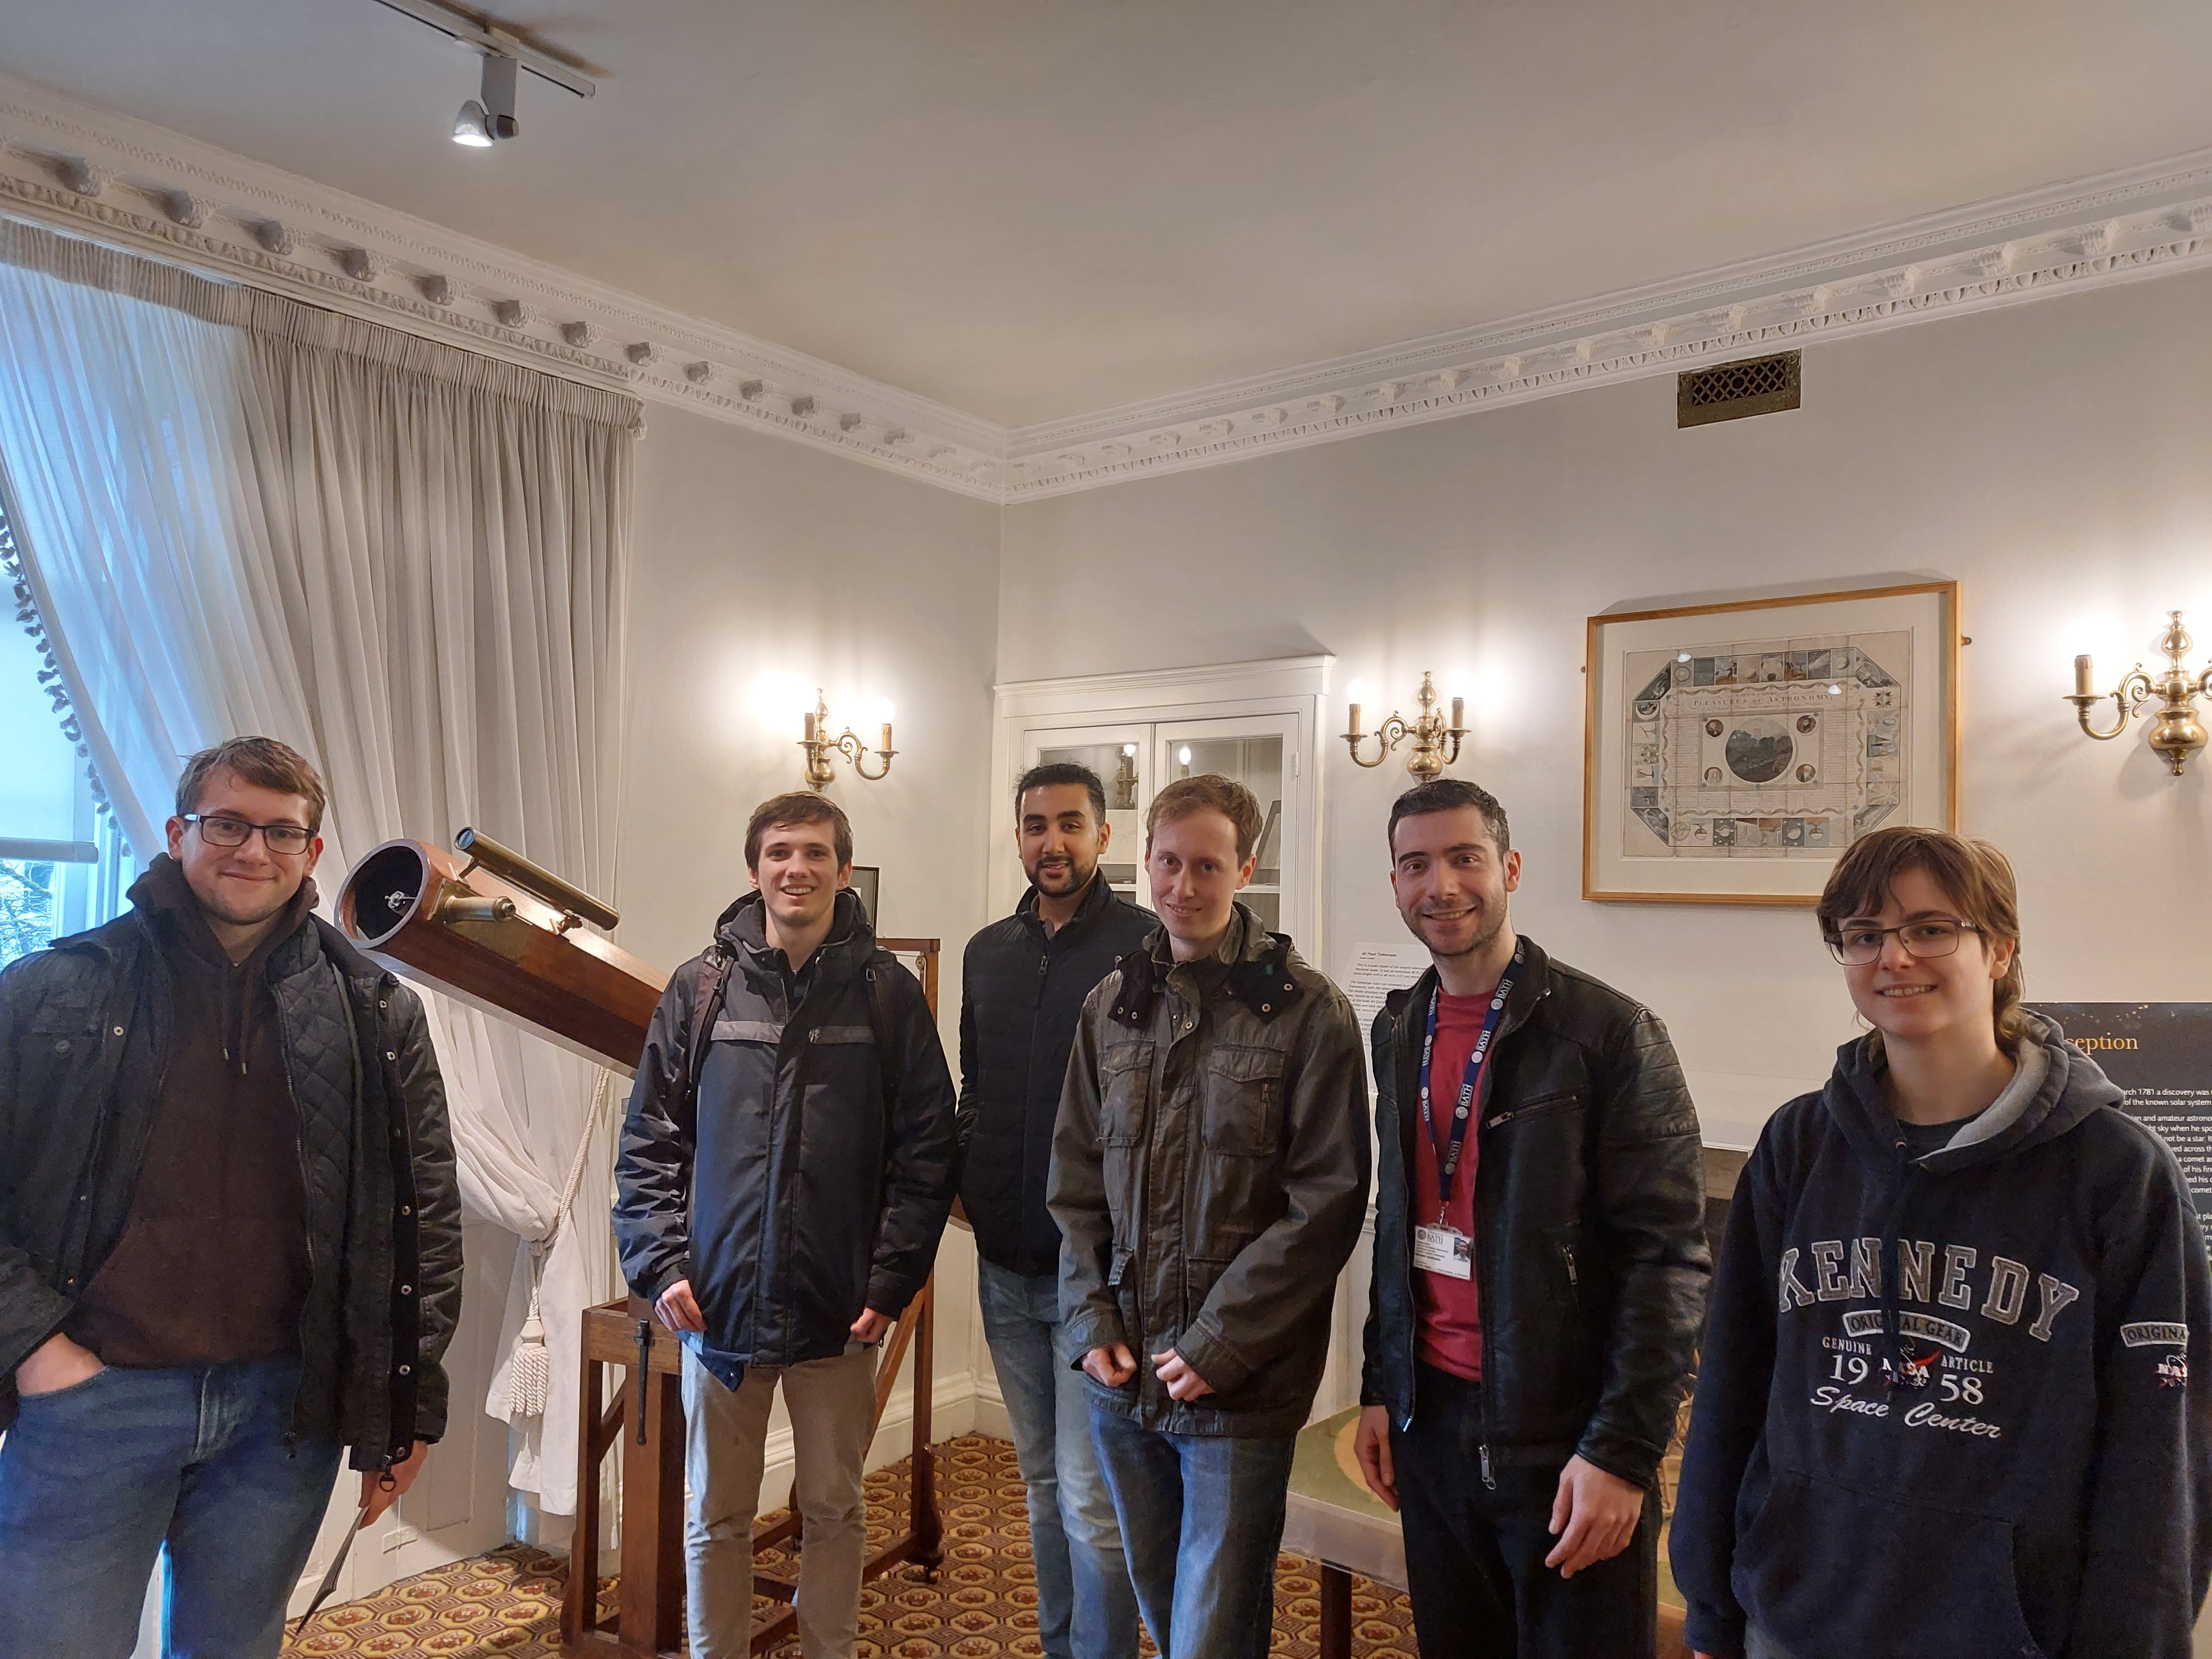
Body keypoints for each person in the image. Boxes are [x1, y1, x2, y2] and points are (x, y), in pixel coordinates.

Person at [1672, 826, 2212, 1659]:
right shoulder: (1799, 1146)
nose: (1895, 957)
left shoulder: (2116, 1171)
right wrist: (1710, 1598)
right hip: (1800, 1613)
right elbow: (1734, 1382)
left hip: (2006, 1630)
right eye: (1864, 935)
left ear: (1999, 949)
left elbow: (2158, 1450)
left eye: (1931, 928)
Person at [0, 736, 463, 1659]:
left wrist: (408, 1401)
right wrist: (34, 1348)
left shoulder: (372, 1009)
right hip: (94, 1403)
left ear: (313, 854)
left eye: (281, 833)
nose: (253, 851)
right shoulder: (57, 989)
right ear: (178, 833)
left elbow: (423, 1219)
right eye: (227, 825)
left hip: (281, 1413)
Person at [1352, 776, 1709, 1659]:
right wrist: (1378, 1385)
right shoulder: (1397, 1030)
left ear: (1510, 867)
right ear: (1395, 883)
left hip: (1563, 1435)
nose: (1441, 886)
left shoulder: (1610, 1034)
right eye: (1415, 865)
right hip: (1430, 1423)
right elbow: (1402, 1224)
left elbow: (1667, 1263)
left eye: (1465, 858)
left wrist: (1625, 1452)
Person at [614, 791, 959, 1659]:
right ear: (755, 869)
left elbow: (926, 1153)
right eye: (778, 853)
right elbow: (650, 1138)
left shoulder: (888, 995)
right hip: (717, 1306)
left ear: (845, 871)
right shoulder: (700, 990)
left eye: (813, 853)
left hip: (841, 1309)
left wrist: (891, 1280)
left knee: (835, 1510)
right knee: (715, 1515)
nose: (795, 869)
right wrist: (660, 1266)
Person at [1050, 773, 1370, 1659]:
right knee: (1164, 1610)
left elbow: (1327, 1203)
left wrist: (1220, 1342)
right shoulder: (1109, 1006)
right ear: (1142, 861)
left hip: (1240, 1383)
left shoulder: (1310, 1012)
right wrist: (1087, 1318)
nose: (1183, 887)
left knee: (1209, 1634)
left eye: (1206, 866)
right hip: (1123, 1373)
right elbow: (1074, 1181)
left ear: (1246, 868)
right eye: (1167, 863)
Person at [958, 762, 1152, 1659]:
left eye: (1071, 825)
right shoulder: (986, 951)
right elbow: (978, 1094)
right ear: (1019, 834)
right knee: (1039, 1481)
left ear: (1104, 837)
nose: (1053, 843)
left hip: (1098, 1277)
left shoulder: (1146, 947)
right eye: (1036, 825)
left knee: (1091, 1496)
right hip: (1003, 1262)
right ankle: (1058, 1644)